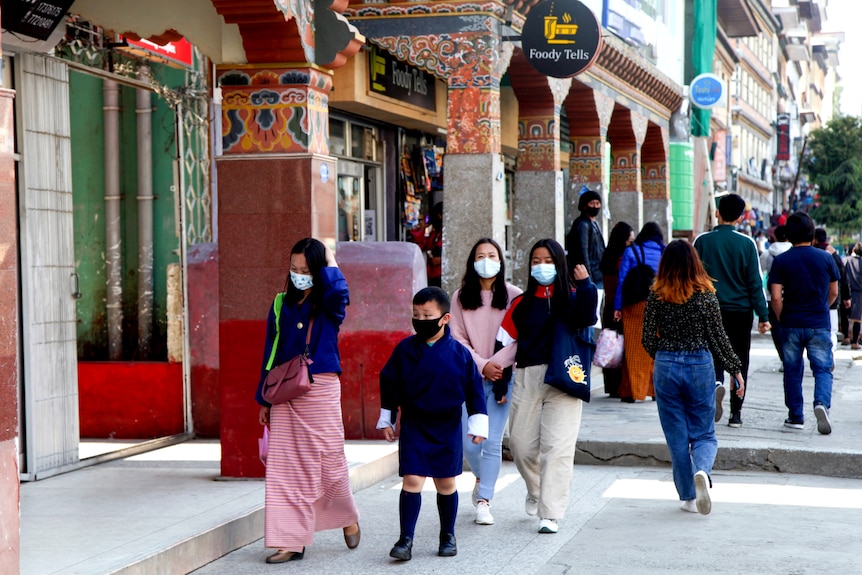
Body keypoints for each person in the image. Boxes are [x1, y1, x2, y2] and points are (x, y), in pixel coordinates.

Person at [255, 238, 360, 564]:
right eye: (294, 269)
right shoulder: (279, 303)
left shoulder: (329, 302)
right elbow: (270, 351)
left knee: (329, 460)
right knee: (285, 467)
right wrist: (264, 398)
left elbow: (341, 294)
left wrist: (328, 260)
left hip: (321, 386)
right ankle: (290, 541)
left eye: (306, 270)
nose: (299, 275)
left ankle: (347, 515)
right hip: (286, 391)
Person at [377, 287, 488, 561]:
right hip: (414, 424)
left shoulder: (460, 355)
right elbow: (389, 382)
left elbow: (474, 389)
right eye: (416, 314)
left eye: (427, 314)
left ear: (445, 318)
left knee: (446, 482)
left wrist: (477, 424)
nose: (420, 319)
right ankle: (405, 539)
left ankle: (447, 535)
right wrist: (388, 417)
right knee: (412, 478)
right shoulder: (404, 350)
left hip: (447, 426)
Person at [497, 239, 598, 534]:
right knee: (520, 445)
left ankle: (550, 513)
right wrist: (501, 381)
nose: (542, 267)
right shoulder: (521, 303)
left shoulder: (575, 296)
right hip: (528, 377)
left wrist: (587, 284)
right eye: (536, 261)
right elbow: (505, 343)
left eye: (549, 261)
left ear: (560, 263)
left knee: (559, 448)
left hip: (566, 377)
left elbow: (587, 317)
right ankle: (537, 490)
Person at [643, 240, 743, 515]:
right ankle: (702, 470)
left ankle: (688, 495)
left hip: (666, 364)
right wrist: (734, 369)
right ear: (695, 263)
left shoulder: (656, 294)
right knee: (704, 432)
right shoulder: (706, 295)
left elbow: (647, 338)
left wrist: (663, 354)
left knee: (676, 435)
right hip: (700, 363)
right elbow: (718, 337)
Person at [449, 238, 522, 526]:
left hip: (503, 380)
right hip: (471, 379)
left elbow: (520, 339)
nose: (486, 260)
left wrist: (498, 366)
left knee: (492, 442)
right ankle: (481, 476)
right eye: (480, 255)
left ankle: (485, 500)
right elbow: (457, 339)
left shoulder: (515, 295)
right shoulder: (459, 298)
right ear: (472, 261)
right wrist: (482, 365)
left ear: (501, 261)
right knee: (469, 442)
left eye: (492, 255)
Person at [694, 193, 770, 429]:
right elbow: (755, 283)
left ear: (717, 213)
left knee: (711, 352)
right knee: (739, 359)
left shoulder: (702, 241)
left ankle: (716, 383)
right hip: (740, 310)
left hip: (708, 308)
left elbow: (693, 277)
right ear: (740, 217)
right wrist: (763, 316)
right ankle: (736, 414)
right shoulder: (747, 243)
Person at [769, 212, 840, 434]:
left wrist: (782, 317)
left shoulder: (781, 261)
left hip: (791, 321)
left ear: (788, 235)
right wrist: (822, 307)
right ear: (812, 234)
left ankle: (796, 416)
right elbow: (834, 291)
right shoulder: (826, 258)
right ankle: (821, 403)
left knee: (792, 370)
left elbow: (776, 297)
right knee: (822, 368)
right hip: (818, 321)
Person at [613, 221, 665, 402]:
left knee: (634, 349)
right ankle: (653, 390)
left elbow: (621, 282)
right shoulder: (664, 253)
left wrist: (617, 307)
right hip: (658, 305)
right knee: (654, 350)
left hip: (634, 305)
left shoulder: (631, 251)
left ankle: (633, 391)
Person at [598, 222, 634, 398]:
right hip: (619, 306)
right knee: (621, 345)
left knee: (610, 343)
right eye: (630, 239)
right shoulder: (623, 257)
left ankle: (611, 385)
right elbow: (622, 283)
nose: (631, 242)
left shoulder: (607, 255)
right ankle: (620, 385)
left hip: (608, 305)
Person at [814, 228, 851, 353]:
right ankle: (830, 354)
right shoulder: (834, 256)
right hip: (832, 300)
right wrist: (846, 297)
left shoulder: (812, 253)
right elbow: (843, 278)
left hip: (814, 299)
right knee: (832, 331)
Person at [760, 224, 792, 365]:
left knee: (777, 329)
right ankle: (791, 357)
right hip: (792, 296)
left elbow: (760, 272)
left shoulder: (767, 254)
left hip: (771, 296)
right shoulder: (794, 251)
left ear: (774, 237)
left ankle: (783, 358)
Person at [565, 188, 605, 287]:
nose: (595, 206)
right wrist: (588, 277)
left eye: (597, 203)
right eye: (592, 203)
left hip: (598, 272)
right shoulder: (583, 224)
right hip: (590, 274)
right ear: (584, 205)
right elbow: (583, 252)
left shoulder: (594, 223)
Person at [410, 201, 443, 286]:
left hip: (441, 276)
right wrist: (422, 228)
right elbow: (419, 246)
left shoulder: (446, 234)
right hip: (431, 275)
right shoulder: (435, 234)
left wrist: (440, 259)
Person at [845, 243, 862, 350]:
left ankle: (847, 337)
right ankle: (854, 342)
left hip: (847, 291)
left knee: (847, 316)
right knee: (857, 319)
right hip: (859, 292)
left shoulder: (846, 260)